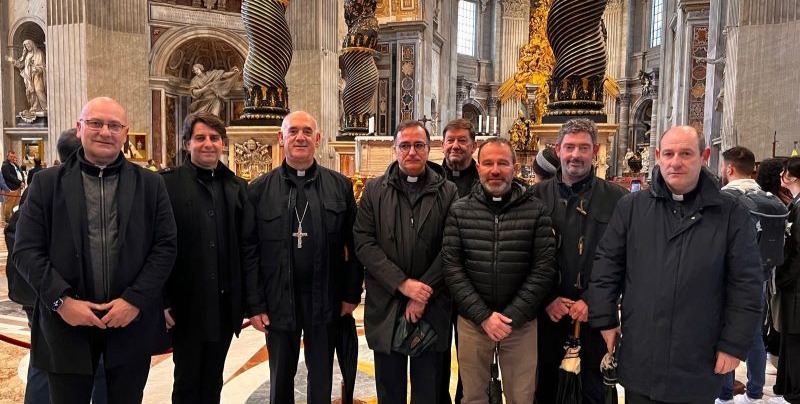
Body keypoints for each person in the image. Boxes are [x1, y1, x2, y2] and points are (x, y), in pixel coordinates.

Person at [12, 97, 178, 404]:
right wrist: (62, 301)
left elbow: (165, 247)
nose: (105, 132)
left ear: (125, 133)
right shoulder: (46, 184)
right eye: (96, 123)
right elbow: (26, 250)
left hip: (129, 323)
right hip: (66, 324)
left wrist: (134, 300)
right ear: (79, 128)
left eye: (114, 125)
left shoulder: (150, 184)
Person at [588, 126, 764, 404]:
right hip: (641, 349)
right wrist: (605, 319)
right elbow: (606, 265)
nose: (676, 161)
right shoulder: (631, 207)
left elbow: (747, 284)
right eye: (668, 153)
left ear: (704, 156)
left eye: (686, 153)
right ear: (658, 156)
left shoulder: (731, 213)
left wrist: (733, 344)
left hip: (698, 354)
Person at [247, 111, 362, 404]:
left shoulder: (339, 186)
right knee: (280, 375)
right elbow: (250, 251)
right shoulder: (259, 189)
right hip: (277, 299)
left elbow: (355, 245)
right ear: (281, 138)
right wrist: (255, 304)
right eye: (293, 131)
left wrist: (350, 294)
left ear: (318, 139)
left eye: (307, 132)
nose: (300, 137)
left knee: (321, 374)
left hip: (325, 296)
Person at [442, 137, 556, 403]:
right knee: (473, 397)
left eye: (502, 163)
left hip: (521, 325)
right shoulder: (459, 211)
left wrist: (512, 317)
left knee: (521, 397)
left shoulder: (536, 211)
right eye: (489, 163)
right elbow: (452, 267)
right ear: (478, 167)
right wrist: (483, 316)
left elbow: (543, 268)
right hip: (473, 322)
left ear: (514, 168)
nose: (495, 170)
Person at [354, 120, 458, 403]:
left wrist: (422, 292)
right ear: (394, 149)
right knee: (390, 389)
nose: (412, 152)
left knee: (429, 390)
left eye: (418, 145)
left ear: (429, 149)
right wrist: (402, 284)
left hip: (431, 303)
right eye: (405, 145)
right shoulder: (374, 191)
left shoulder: (447, 192)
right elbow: (363, 242)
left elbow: (451, 246)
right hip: (386, 301)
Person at [161, 112, 260, 404]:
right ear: (186, 144)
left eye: (214, 138)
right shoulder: (166, 185)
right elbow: (158, 248)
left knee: (213, 379)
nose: (208, 144)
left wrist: (249, 301)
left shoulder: (238, 188)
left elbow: (248, 248)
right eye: (200, 138)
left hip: (224, 304)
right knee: (186, 381)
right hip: (185, 305)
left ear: (224, 144)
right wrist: (162, 300)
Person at [6, 128, 109, 404]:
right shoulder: (46, 185)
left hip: (55, 294)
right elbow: (22, 245)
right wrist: (56, 296)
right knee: (47, 361)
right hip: (46, 293)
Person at [531, 118, 628, 404]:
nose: (576, 154)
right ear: (558, 149)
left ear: (596, 150)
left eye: (583, 147)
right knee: (544, 389)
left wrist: (594, 300)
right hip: (548, 314)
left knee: (592, 391)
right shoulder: (534, 197)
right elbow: (524, 255)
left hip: (595, 316)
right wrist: (548, 297)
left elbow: (624, 259)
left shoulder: (619, 199)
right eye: (569, 147)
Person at [717, 147, 787, 404]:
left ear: (729, 168)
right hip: (761, 276)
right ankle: (755, 393)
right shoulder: (769, 198)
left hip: (727, 278)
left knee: (725, 333)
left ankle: (725, 395)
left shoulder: (725, 198)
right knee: (755, 333)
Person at [439, 118, 479, 403]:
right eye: (450, 140)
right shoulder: (429, 178)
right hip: (437, 285)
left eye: (462, 140)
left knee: (471, 360)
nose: (455, 145)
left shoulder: (487, 180)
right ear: (442, 145)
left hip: (475, 285)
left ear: (473, 146)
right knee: (436, 357)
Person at [774, 157, 800, 404]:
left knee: (794, 338)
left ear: (792, 176)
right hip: (791, 282)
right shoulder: (795, 203)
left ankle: (795, 393)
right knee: (788, 336)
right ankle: (786, 386)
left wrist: (782, 278)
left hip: (796, 284)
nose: (782, 175)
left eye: (785, 171)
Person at [10, 39, 47, 114]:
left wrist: (37, 69)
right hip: (28, 78)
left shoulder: (39, 53)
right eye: (26, 46)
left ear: (32, 44)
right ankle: (35, 107)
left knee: (39, 90)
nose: (28, 47)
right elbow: (21, 65)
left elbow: (43, 66)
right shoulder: (26, 55)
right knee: (31, 92)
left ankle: (45, 107)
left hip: (37, 76)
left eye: (28, 45)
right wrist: (14, 62)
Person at [2, 150, 25, 222]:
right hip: (11, 188)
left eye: (14, 156)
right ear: (7, 156)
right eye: (11, 156)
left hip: (17, 187)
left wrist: (23, 181)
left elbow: (20, 173)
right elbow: (9, 176)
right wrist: (19, 182)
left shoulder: (15, 164)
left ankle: (13, 219)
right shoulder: (5, 165)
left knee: (15, 204)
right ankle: (7, 220)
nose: (12, 158)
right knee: (8, 205)